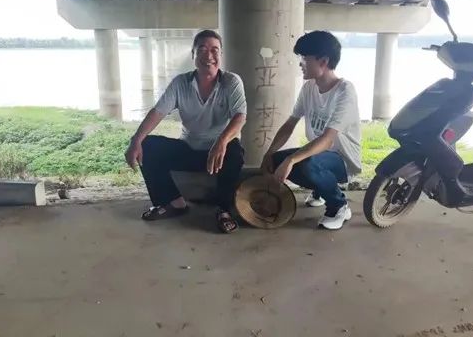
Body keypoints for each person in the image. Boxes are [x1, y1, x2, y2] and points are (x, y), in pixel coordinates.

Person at [125, 30, 246, 233]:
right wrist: (136, 140)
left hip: (220, 154)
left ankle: (224, 210)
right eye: (202, 49)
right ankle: (174, 203)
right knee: (147, 145)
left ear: (221, 54)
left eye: (214, 50)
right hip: (189, 148)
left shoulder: (231, 82)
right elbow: (158, 112)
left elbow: (240, 117)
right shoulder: (180, 83)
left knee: (235, 153)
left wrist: (221, 142)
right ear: (193, 54)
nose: (209, 55)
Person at [260, 30, 361, 230]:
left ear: (323, 61)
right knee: (277, 160)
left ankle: (339, 206)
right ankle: (320, 190)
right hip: (319, 154)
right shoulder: (308, 88)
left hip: (342, 160)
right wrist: (269, 153)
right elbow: (290, 124)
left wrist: (292, 160)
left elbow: (328, 139)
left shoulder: (345, 91)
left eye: (305, 58)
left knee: (305, 164)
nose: (300, 63)